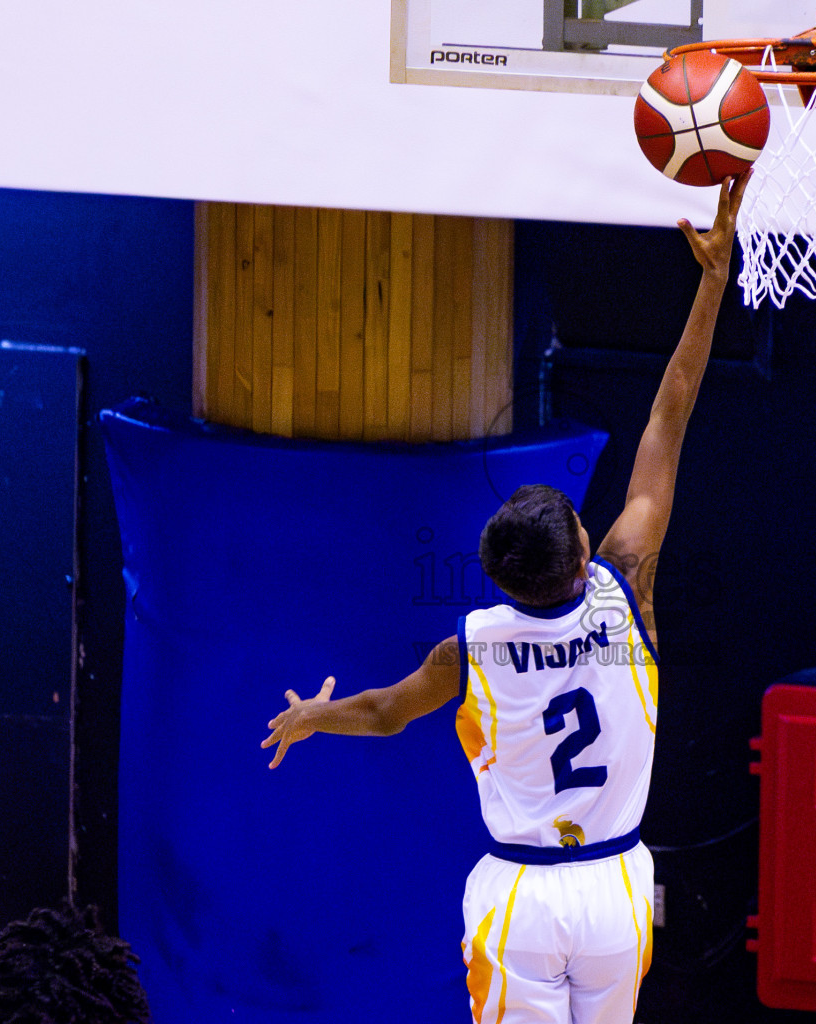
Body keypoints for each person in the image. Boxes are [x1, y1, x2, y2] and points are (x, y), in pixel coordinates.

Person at [260, 171, 749, 1024]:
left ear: (504, 578)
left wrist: (312, 718)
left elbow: (380, 714)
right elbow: (667, 418)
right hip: (615, 885)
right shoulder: (627, 586)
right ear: (582, 554)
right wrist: (711, 280)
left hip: (520, 893)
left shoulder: (470, 646)